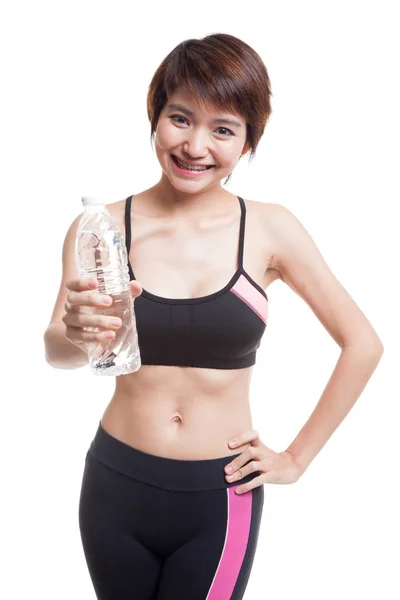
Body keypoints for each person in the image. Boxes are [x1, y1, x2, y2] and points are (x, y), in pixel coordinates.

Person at [44, 33, 384, 600]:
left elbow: (362, 342)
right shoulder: (100, 227)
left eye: (222, 129)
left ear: (247, 142)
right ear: (155, 117)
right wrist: (76, 332)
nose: (195, 145)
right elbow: (56, 349)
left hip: (218, 494)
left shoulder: (270, 228)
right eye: (180, 118)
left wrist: (296, 458)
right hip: (114, 483)